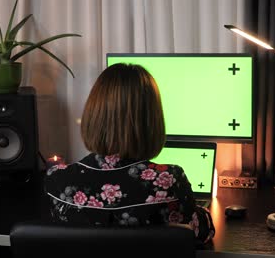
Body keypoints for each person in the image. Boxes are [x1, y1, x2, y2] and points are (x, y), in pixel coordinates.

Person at [44, 63, 215, 245]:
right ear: (152, 121)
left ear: (93, 115)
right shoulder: (169, 180)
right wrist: (202, 213)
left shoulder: (58, 179)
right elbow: (200, 233)